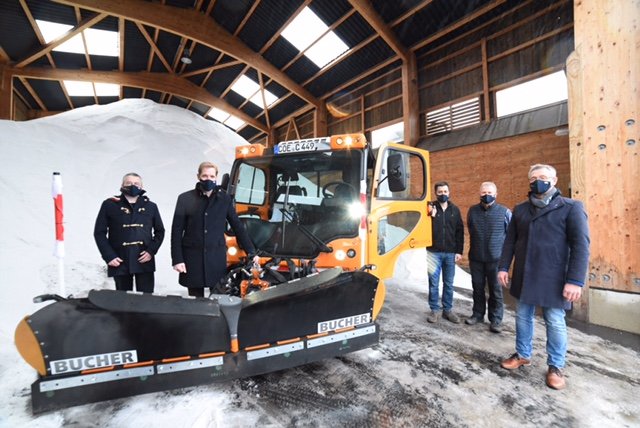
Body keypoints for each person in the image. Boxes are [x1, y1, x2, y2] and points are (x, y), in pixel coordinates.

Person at [498, 164, 590, 390]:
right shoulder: (520, 210)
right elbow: (510, 241)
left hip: (555, 277)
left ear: (555, 180)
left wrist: (576, 280)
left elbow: (581, 246)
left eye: (543, 177)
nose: (538, 181)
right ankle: (522, 354)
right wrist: (502, 267)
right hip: (525, 274)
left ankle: (556, 366)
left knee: (555, 321)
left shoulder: (571, 207)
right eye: (534, 178)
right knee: (522, 316)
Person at [171, 162, 259, 297]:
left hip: (215, 258)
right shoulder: (185, 199)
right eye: (204, 176)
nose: (208, 179)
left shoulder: (224, 199)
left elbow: (237, 227)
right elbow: (176, 231)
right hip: (192, 258)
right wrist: (177, 259)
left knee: (218, 298)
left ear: (216, 177)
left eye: (212, 176)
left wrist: (251, 252)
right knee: (195, 300)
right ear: (198, 176)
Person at [94, 172, 165, 293]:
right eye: (129, 183)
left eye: (136, 183)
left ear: (141, 187)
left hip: (144, 258)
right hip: (119, 259)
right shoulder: (109, 204)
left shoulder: (151, 206)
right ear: (122, 185)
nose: (133, 185)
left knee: (146, 299)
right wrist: (109, 256)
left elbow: (160, 231)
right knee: (122, 300)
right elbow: (99, 232)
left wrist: (151, 251)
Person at [465, 182, 512, 333]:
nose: (487, 195)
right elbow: (471, 229)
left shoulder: (504, 212)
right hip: (476, 258)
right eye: (484, 192)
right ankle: (477, 315)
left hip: (496, 259)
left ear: (496, 194)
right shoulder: (472, 211)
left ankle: (496, 320)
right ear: (479, 194)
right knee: (477, 288)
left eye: (490, 192)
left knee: (496, 290)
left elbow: (510, 235)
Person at [426, 181, 464, 324]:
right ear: (436, 193)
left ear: (449, 192)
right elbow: (422, 226)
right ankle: (435, 310)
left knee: (448, 283)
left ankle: (447, 310)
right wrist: (430, 216)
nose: (443, 194)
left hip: (450, 253)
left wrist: (459, 251)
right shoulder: (429, 208)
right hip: (433, 253)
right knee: (433, 283)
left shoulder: (455, 210)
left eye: (445, 192)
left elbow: (460, 231)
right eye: (440, 192)